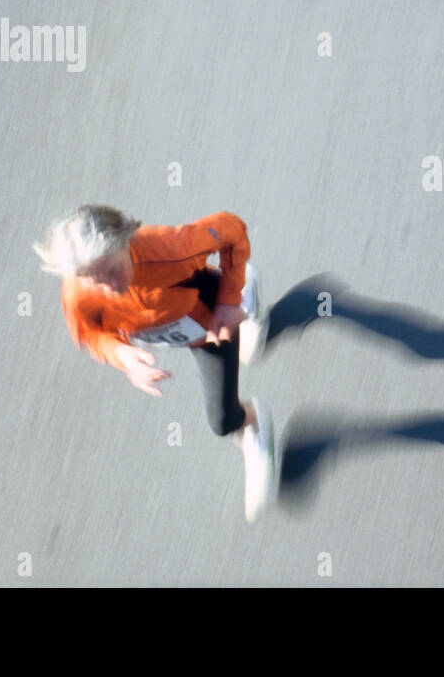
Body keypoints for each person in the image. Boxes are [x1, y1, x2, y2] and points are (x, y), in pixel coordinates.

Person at [32, 204, 275, 521]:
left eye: (112, 269)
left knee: (221, 422)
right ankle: (245, 298)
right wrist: (119, 354)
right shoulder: (79, 291)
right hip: (164, 328)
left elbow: (232, 230)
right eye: (93, 278)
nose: (108, 286)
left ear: (125, 240)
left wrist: (228, 302)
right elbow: (91, 333)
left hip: (208, 323)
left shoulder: (173, 250)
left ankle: (252, 422)